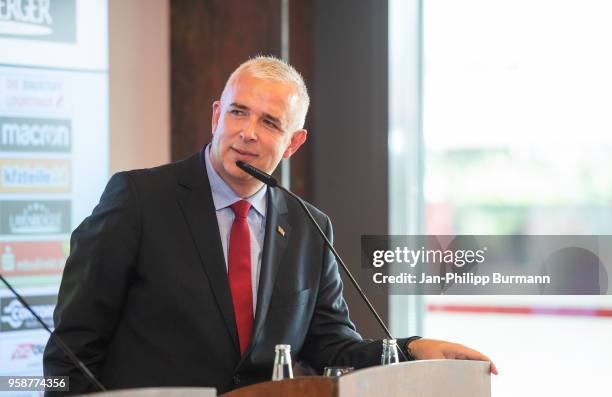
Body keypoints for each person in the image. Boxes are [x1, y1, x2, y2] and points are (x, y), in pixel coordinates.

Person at [43, 56, 497, 396]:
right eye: (238, 112)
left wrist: (412, 349)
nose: (248, 133)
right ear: (216, 115)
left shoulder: (308, 227)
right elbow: (71, 348)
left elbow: (332, 347)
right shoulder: (138, 200)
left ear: (293, 142)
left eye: (270, 122)